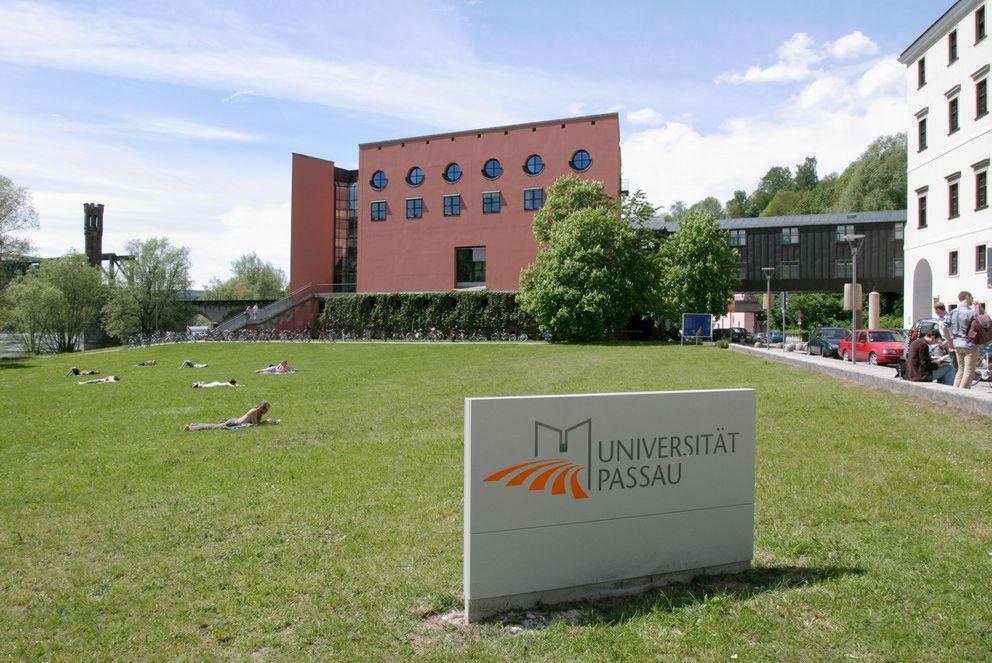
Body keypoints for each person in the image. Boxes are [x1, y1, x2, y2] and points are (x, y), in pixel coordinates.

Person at [948, 291, 978, 389]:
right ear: (967, 297)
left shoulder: (953, 311)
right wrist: (978, 308)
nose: (972, 300)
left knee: (960, 369)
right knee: (969, 371)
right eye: (971, 297)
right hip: (969, 344)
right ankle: (962, 395)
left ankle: (955, 392)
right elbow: (981, 323)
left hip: (957, 344)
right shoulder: (971, 312)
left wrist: (949, 341)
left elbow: (944, 326)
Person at [183, 400, 279, 430]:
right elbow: (255, 425)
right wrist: (266, 422)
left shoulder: (259, 413)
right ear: (262, 408)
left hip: (235, 422)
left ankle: (194, 424)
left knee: (213, 426)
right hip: (233, 423)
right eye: (266, 409)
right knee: (213, 427)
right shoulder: (254, 411)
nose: (266, 411)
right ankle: (190, 428)